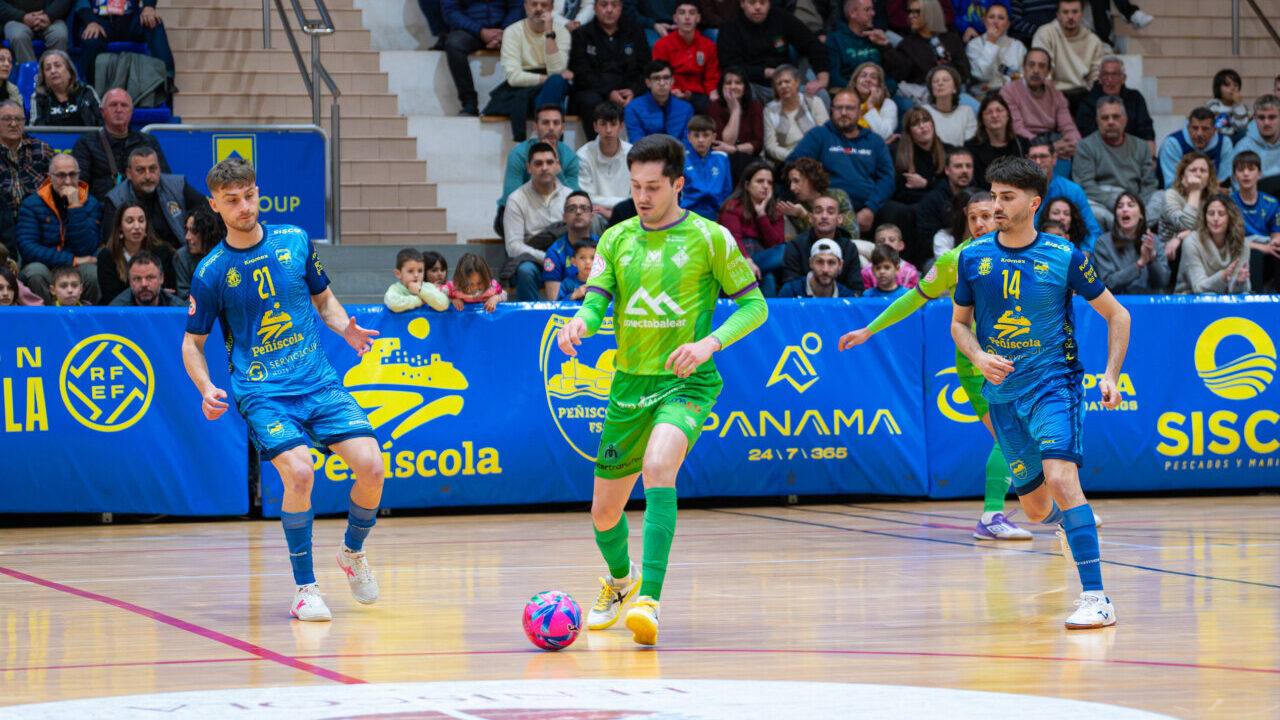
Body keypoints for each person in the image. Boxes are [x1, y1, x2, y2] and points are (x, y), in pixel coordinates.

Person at [556, 134, 767, 646]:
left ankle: (648, 599)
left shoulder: (711, 238)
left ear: (678, 184)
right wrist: (580, 322)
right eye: (635, 186)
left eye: (653, 186)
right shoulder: (615, 238)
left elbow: (755, 306)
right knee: (604, 512)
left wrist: (709, 344)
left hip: (686, 382)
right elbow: (597, 301)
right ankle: (621, 580)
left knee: (657, 467)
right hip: (629, 385)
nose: (642, 196)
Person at [183, 158, 385, 623]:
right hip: (263, 392)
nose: (244, 206)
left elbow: (324, 300)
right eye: (232, 200)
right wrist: (206, 386)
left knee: (372, 467)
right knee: (300, 473)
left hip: (318, 381)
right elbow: (192, 344)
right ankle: (305, 589)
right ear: (215, 205)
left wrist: (345, 329)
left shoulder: (294, 240)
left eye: (249, 195)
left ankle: (352, 553)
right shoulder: (211, 272)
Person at [951, 155, 1130, 627]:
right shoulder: (972, 257)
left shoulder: (1064, 255)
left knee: (1062, 478)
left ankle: (1097, 598)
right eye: (993, 195)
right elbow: (959, 324)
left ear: (1034, 203)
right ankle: (1071, 525)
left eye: (1006, 197)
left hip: (1055, 386)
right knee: (1034, 510)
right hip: (1003, 395)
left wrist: (1111, 375)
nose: (995, 206)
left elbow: (1118, 315)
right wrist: (978, 356)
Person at [839, 190, 1034, 542]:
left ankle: (1058, 506)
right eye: (973, 218)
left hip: (1018, 359)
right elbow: (912, 299)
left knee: (1033, 435)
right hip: (978, 365)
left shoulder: (1023, 253)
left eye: (986, 216)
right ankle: (993, 516)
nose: (979, 224)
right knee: (1011, 436)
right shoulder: (954, 261)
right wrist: (869, 330)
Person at [787, 88, 894, 236]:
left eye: (849, 108)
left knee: (898, 211)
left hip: (867, 206)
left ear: (859, 112)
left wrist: (870, 208)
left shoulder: (875, 141)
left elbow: (887, 179)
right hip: (827, 204)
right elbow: (793, 164)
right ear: (832, 110)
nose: (843, 112)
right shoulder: (819, 135)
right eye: (839, 108)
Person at [16, 152, 101, 304]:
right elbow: (28, 248)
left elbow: (87, 247)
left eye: (73, 175)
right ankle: (44, 317)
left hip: (78, 267)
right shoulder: (31, 204)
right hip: (46, 265)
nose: (68, 181)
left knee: (92, 272)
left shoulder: (91, 203)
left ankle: (86, 315)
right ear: (49, 177)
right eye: (61, 175)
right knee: (35, 272)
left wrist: (75, 206)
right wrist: (73, 260)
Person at [715, 0, 830, 103]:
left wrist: (822, 79)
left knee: (820, 94)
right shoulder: (730, 27)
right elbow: (731, 67)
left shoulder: (781, 17)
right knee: (737, 91)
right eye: (752, 3)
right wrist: (767, 72)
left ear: (769, 3)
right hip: (753, 86)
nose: (758, 7)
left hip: (786, 83)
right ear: (742, 3)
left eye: (763, 2)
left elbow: (814, 45)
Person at [490, 0, 573, 139]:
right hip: (523, 88)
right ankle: (548, 142)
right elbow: (513, 78)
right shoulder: (512, 31)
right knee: (556, 94)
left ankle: (542, 139)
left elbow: (556, 71)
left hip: (551, 86)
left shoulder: (562, 32)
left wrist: (549, 34)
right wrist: (547, 79)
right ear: (525, 6)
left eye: (544, 5)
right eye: (534, 4)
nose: (538, 9)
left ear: (552, 8)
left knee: (556, 82)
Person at [1072, 95, 1156, 230]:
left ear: (1125, 119)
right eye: (1105, 118)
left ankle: (1137, 229)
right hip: (1103, 202)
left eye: (1116, 117)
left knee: (1162, 197)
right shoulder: (1085, 146)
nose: (1111, 122)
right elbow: (1086, 185)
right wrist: (1119, 204)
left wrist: (1136, 206)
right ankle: (1130, 229)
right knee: (1091, 210)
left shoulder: (1141, 146)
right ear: (1097, 121)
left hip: (1135, 199)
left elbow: (1150, 183)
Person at [569, 0, 650, 138]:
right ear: (595, 8)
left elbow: (646, 68)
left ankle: (643, 148)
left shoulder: (635, 32)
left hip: (629, 91)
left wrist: (633, 91)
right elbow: (581, 73)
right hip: (595, 91)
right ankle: (597, 146)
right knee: (589, 100)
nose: (609, 9)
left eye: (614, 5)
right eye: (604, 5)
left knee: (648, 99)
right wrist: (609, 93)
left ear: (621, 7)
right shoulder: (581, 34)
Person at [71, 89, 169, 201]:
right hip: (103, 207)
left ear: (131, 111)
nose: (119, 110)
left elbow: (164, 179)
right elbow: (79, 186)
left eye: (124, 105)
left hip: (143, 206)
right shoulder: (86, 144)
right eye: (113, 105)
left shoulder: (148, 141)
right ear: (102, 112)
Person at [505, 142, 574, 300]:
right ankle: (530, 316)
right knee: (525, 271)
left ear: (557, 165)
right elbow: (513, 246)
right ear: (528, 167)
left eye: (549, 162)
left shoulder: (570, 196)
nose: (544, 168)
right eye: (538, 163)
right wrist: (547, 258)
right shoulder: (516, 199)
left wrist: (560, 259)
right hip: (533, 261)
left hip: (564, 256)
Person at [101, 146, 207, 249]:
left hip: (180, 254)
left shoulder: (177, 186)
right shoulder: (116, 199)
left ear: (159, 170)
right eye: (140, 170)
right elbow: (111, 241)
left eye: (152, 169)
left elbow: (207, 213)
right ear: (129, 174)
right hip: (137, 257)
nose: (148, 176)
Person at [497, 103, 579, 230]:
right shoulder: (518, 154)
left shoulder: (570, 157)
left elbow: (574, 200)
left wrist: (558, 172)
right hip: (518, 210)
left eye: (556, 123)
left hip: (555, 211)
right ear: (535, 127)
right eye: (545, 123)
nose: (551, 128)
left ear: (562, 128)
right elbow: (511, 197)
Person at [442, 0, 523, 116]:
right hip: (470, 31)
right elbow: (450, 11)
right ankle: (469, 103)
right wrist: (480, 31)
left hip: (505, 30)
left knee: (533, 40)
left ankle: (516, 103)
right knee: (454, 44)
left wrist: (503, 33)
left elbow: (518, 7)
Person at [718, 160, 785, 295]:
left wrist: (762, 215)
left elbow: (776, 245)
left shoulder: (776, 211)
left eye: (769, 183)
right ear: (747, 185)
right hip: (735, 259)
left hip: (762, 259)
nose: (765, 186)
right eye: (760, 181)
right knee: (768, 277)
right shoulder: (732, 207)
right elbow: (732, 240)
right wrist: (746, 260)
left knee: (785, 250)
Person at [999, 48, 1079, 159]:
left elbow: (1068, 126)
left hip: (1053, 142)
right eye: (1031, 65)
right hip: (1024, 144)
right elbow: (1017, 129)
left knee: (1075, 152)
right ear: (1023, 68)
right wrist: (1048, 147)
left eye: (1042, 66)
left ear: (1048, 72)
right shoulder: (1009, 92)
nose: (1036, 70)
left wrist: (1073, 143)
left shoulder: (1055, 93)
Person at [76, 0, 176, 88]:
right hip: (100, 21)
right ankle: (91, 89)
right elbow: (81, 2)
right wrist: (90, 21)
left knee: (154, 23)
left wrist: (149, 6)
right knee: (91, 38)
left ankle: (166, 78)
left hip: (130, 18)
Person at [1027, 134, 1100, 251]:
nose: (1038, 162)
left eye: (1043, 156)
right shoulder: (1019, 192)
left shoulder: (1072, 190)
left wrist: (1085, 253)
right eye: (1033, 157)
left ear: (1054, 159)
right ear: (1027, 160)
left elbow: (1093, 232)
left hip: (1070, 253)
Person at [1030, 0, 1107, 110]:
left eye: (1075, 12)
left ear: (1082, 14)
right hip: (1053, 93)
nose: (1070, 17)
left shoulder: (1093, 40)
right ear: (1058, 14)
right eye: (1065, 12)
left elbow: (1096, 75)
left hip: (1083, 93)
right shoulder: (1044, 34)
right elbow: (1042, 70)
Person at [1072, 56, 1155, 157]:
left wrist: (1151, 157)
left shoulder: (1135, 98)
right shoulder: (1088, 101)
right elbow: (1086, 134)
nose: (1109, 79)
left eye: (1115, 75)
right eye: (1105, 75)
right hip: (1099, 153)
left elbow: (1146, 131)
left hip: (1132, 152)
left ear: (1123, 78)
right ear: (1100, 79)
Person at [780, 193, 864, 289]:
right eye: (818, 211)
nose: (824, 216)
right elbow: (790, 286)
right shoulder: (796, 245)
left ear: (840, 219)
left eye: (830, 212)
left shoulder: (849, 248)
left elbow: (856, 288)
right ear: (811, 218)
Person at [97, 201, 174, 304]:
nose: (137, 226)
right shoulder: (107, 256)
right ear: (120, 226)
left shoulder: (162, 252)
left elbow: (169, 293)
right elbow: (111, 298)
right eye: (130, 221)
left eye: (141, 220)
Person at [1091, 191, 1168, 294]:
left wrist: (1152, 260)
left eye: (1130, 205)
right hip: (1117, 302)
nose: (1124, 209)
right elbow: (1108, 284)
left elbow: (1163, 282)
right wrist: (1139, 264)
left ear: (1141, 214)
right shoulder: (1103, 243)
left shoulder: (1153, 240)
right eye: (1120, 207)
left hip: (1149, 301)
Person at [652, 0, 720, 114]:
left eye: (692, 13)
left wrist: (712, 92)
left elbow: (712, 77)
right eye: (682, 13)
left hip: (699, 95)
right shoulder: (661, 45)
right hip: (670, 94)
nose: (687, 17)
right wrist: (673, 90)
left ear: (698, 18)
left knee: (714, 108)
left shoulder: (708, 46)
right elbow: (659, 75)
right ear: (675, 18)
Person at [1174, 193, 1251, 294]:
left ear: (1230, 217)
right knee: (1209, 296)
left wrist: (1239, 282)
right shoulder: (1191, 242)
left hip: (1225, 298)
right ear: (1205, 217)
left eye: (1221, 214)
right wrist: (1222, 276)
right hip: (1190, 296)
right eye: (1211, 214)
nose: (1215, 218)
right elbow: (1198, 287)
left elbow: (1235, 291)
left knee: (1245, 294)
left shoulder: (1242, 243)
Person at [826, 0, 904, 90]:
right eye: (867, 10)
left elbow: (896, 73)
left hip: (881, 92)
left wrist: (887, 46)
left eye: (873, 9)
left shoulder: (877, 36)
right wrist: (858, 92)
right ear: (852, 13)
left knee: (906, 99)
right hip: (851, 92)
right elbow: (834, 77)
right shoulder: (835, 40)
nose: (873, 13)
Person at [893, 0, 969, 91]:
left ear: (931, 13)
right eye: (909, 12)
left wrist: (947, 65)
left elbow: (964, 73)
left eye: (917, 12)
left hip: (954, 89)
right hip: (923, 91)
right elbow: (902, 75)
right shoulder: (906, 45)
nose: (910, 16)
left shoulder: (952, 39)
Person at [1231, 150, 1280, 292]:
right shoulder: (1228, 203)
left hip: (1267, 249)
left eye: (1251, 169)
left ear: (1259, 174)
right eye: (1241, 170)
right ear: (1235, 176)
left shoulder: (1271, 202)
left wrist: (1275, 243)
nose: (1246, 174)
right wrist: (1261, 247)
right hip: (1240, 251)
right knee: (1255, 254)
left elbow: (1276, 234)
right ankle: (1255, 297)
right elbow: (1229, 240)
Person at [0, 99, 53, 228]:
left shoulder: (42, 149)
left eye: (19, 119)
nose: (13, 124)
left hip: (38, 224)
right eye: (7, 119)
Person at [704, 67, 763, 181]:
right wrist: (735, 110)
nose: (733, 86)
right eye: (728, 83)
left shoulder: (755, 107)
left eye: (738, 83)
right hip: (721, 159)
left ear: (745, 87)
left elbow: (757, 144)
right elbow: (723, 143)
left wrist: (734, 149)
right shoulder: (713, 108)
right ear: (722, 87)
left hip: (748, 159)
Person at [763, 64, 829, 164]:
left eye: (787, 81)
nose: (783, 86)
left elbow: (825, 136)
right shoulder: (770, 110)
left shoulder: (814, 102)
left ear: (797, 83)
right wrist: (795, 156)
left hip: (816, 158)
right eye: (779, 83)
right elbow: (770, 146)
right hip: (787, 160)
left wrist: (810, 156)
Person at [778, 156, 857, 236]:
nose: (791, 188)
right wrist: (802, 214)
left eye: (796, 181)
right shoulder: (797, 208)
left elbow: (852, 233)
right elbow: (810, 240)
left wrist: (805, 216)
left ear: (811, 178)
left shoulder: (838, 196)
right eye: (790, 182)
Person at [578, 103, 633, 219]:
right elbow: (586, 197)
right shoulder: (583, 155)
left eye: (613, 124)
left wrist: (613, 212)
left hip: (625, 212)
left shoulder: (632, 154)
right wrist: (621, 203)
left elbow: (636, 197)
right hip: (596, 212)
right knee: (588, 217)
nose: (608, 130)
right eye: (603, 124)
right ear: (595, 126)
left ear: (621, 126)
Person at [543, 190, 600, 300]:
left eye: (584, 208)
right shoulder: (555, 252)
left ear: (592, 216)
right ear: (564, 217)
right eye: (572, 209)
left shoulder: (604, 246)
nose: (578, 212)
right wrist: (573, 296)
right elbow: (554, 302)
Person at [1158, 152, 1214, 264]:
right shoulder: (1171, 195)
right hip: (1170, 255)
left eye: (1203, 171)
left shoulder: (1212, 199)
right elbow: (1186, 225)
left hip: (1203, 251)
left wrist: (1180, 236)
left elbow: (1216, 231)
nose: (1198, 174)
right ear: (1183, 176)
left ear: (1209, 177)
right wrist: (1195, 191)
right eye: (1193, 170)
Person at [1157, 107, 1232, 189]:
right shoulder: (1173, 143)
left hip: (1214, 195)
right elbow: (1172, 185)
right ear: (1188, 128)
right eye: (1195, 128)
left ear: (1214, 130)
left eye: (1205, 129)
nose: (1199, 133)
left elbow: (1223, 183)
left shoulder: (1224, 143)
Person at [917, 147, 976, 251]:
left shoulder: (981, 196)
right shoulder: (931, 201)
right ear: (947, 170)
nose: (964, 170)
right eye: (958, 166)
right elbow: (927, 242)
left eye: (968, 166)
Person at [625, 60, 696, 146]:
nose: (662, 83)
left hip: (678, 153)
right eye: (656, 78)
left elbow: (688, 141)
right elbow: (637, 141)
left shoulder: (686, 108)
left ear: (672, 80)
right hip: (647, 153)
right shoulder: (633, 108)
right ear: (648, 82)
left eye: (666, 78)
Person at [967, 93, 1028, 187]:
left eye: (999, 110)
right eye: (989, 112)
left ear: (1008, 115)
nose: (994, 115)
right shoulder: (971, 148)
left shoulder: (1022, 144)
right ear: (982, 119)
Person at [965, 1, 1025, 96]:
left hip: (1013, 93)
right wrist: (990, 43)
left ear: (1008, 24)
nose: (995, 22)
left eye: (1001, 18)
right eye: (991, 17)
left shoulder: (1017, 46)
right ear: (984, 21)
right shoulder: (974, 45)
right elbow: (982, 75)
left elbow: (1023, 77)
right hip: (983, 95)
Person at [30, 49, 99, 127]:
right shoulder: (39, 97)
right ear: (44, 76)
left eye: (58, 66)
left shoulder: (86, 92)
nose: (53, 71)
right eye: (47, 68)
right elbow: (35, 129)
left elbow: (101, 122)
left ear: (69, 71)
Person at [681, 114, 732, 219]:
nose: (701, 140)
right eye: (696, 135)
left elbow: (727, 191)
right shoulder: (681, 160)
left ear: (713, 137)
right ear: (689, 138)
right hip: (688, 215)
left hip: (716, 215)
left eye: (705, 135)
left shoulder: (722, 158)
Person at [1232, 95, 1280, 198]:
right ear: (1255, 119)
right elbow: (1237, 186)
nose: (1266, 122)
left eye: (1272, 117)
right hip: (1253, 200)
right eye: (1261, 117)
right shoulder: (1243, 146)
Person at [776, 237, 857, 297]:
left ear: (840, 265)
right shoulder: (791, 292)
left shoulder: (847, 297)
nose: (825, 269)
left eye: (831, 263)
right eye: (820, 262)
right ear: (811, 263)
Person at [174, 206, 222, 300]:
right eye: (187, 230)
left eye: (194, 231)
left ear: (208, 233)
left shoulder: (226, 255)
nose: (187, 237)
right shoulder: (181, 257)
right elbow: (184, 296)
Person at [0, 1, 69, 66]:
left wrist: (49, 16)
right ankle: (30, 72)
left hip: (51, 18)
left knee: (60, 35)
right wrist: (22, 17)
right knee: (18, 36)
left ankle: (54, 71)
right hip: (15, 19)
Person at [924, 65, 976, 146]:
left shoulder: (966, 111)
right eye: (935, 81)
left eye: (945, 80)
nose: (940, 83)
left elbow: (970, 143)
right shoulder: (924, 112)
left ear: (955, 87)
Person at [384, 247, 450, 312]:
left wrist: (420, 291)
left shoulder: (428, 287)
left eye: (420, 271)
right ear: (398, 274)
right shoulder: (395, 289)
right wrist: (419, 301)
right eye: (410, 271)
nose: (416, 275)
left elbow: (444, 304)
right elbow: (393, 304)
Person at [107, 251, 183, 306]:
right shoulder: (116, 311)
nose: (144, 284)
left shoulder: (178, 309)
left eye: (150, 278)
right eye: (137, 279)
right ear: (129, 281)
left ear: (161, 278)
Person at [849, 61, 898, 142]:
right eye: (863, 76)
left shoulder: (887, 104)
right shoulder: (846, 103)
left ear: (879, 85)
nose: (868, 80)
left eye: (873, 77)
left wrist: (870, 105)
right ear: (855, 82)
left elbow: (884, 135)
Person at [861, 222, 919, 289]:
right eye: (881, 241)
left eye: (892, 240)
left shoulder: (910, 271)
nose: (886, 243)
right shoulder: (867, 271)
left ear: (901, 245)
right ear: (875, 246)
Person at [1206, 68, 1250, 141]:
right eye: (1227, 85)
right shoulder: (1213, 105)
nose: (1232, 88)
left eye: (1235, 85)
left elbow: (1241, 126)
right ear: (1218, 88)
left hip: (1235, 139)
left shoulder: (1242, 107)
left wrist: (1238, 105)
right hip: (1217, 138)